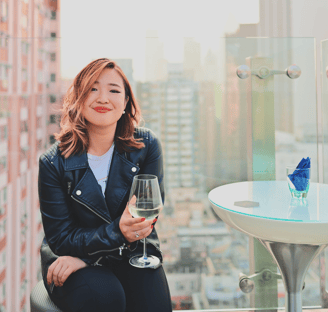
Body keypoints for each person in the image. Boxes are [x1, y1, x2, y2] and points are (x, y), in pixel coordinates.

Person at [38, 58, 172, 312]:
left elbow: (145, 221)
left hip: (130, 251)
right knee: (104, 295)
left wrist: (90, 256)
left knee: (151, 295)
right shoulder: (52, 162)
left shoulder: (146, 146)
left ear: (125, 104)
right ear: (78, 99)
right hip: (67, 258)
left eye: (113, 90)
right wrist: (116, 235)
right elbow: (61, 238)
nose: (103, 98)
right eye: (92, 89)